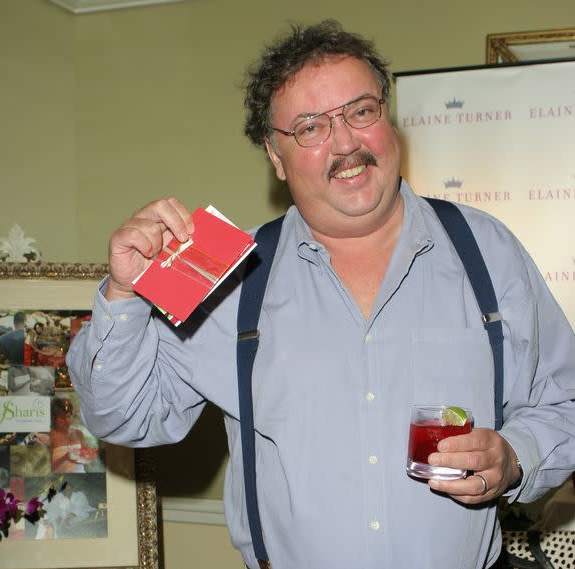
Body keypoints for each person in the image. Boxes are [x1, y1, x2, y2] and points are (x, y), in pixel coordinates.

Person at [66, 20, 575, 569]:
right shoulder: (220, 271)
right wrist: (123, 294)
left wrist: (516, 456)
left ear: (388, 118)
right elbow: (125, 418)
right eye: (310, 127)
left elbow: (564, 401)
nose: (347, 143)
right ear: (276, 155)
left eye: (361, 111)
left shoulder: (486, 248)